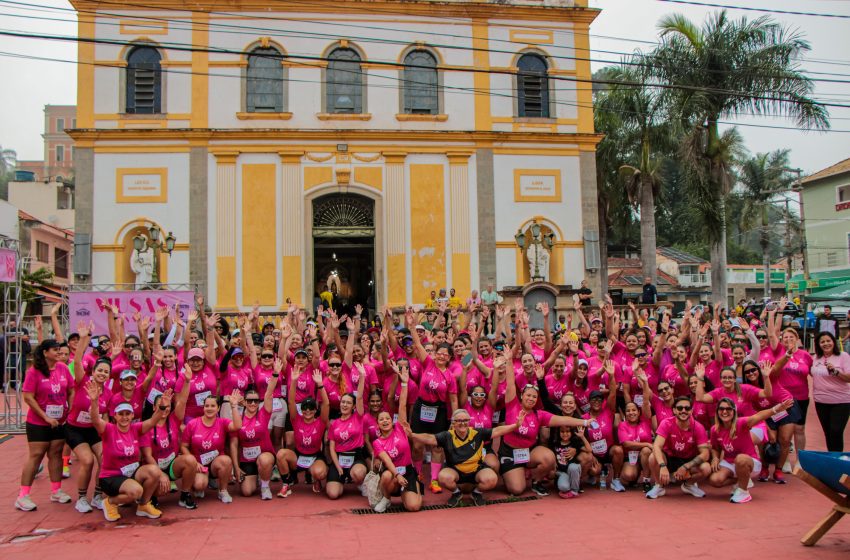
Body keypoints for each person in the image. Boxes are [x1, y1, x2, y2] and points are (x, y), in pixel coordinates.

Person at [500, 362, 592, 497]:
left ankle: (536, 481)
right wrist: (508, 361)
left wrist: (584, 422)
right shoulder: (512, 405)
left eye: (534, 397)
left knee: (549, 458)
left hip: (528, 453)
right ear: (521, 396)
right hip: (509, 453)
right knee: (517, 489)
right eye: (528, 395)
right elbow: (510, 383)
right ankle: (511, 473)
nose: (531, 398)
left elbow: (563, 419)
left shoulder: (539, 414)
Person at [404, 407, 526, 507]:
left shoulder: (477, 433)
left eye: (465, 420)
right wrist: (412, 435)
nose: (462, 423)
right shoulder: (447, 436)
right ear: (453, 423)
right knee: (443, 477)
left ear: (469, 421)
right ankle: (456, 494)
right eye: (459, 421)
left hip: (476, 471)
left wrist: (515, 425)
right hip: (455, 471)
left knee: (492, 479)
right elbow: (429, 438)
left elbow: (497, 430)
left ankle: (476, 493)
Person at [88, 382, 173, 522]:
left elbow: (153, 421)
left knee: (154, 471)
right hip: (111, 477)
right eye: (121, 414)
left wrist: (163, 405)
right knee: (137, 491)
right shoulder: (108, 430)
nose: (124, 417)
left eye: (127, 414)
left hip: (130, 474)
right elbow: (95, 419)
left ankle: (143, 505)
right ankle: (110, 502)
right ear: (115, 416)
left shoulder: (135, 428)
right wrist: (94, 401)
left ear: (132, 415)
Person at [16, 339, 75, 511]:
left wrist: (69, 409)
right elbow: (28, 397)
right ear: (45, 352)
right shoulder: (34, 372)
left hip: (59, 421)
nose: (58, 353)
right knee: (36, 456)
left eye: (59, 349)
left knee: (55, 454)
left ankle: (56, 491)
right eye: (55, 350)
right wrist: (45, 417)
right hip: (38, 422)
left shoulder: (63, 368)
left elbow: (71, 390)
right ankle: (22, 496)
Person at [707, 397, 794, 504]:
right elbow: (715, 448)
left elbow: (758, 416)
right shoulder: (714, 429)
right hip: (729, 462)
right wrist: (715, 458)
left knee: (740, 458)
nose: (724, 412)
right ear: (717, 412)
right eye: (721, 409)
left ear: (734, 411)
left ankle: (744, 492)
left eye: (728, 409)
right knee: (715, 480)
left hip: (750, 462)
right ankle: (742, 480)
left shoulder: (742, 423)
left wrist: (776, 409)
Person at [66, 328, 113, 513]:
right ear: (93, 371)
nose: (102, 374)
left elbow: (106, 417)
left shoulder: (108, 393)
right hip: (74, 429)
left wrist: (108, 434)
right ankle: (82, 498)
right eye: (99, 370)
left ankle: (98, 496)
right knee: (86, 461)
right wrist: (84, 338)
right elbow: (77, 361)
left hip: (94, 430)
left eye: (106, 372)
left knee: (105, 459)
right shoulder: (82, 381)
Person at [141, 372, 200, 510]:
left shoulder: (174, 419)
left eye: (167, 406)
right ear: (155, 408)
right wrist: (160, 474)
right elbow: (147, 456)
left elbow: (183, 401)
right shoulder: (147, 426)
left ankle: (185, 495)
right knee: (162, 488)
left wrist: (187, 381)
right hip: (154, 467)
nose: (165, 409)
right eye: (162, 406)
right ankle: (151, 496)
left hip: (171, 465)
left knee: (190, 460)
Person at [371, 364, 422, 513]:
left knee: (413, 507)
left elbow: (402, 405)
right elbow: (386, 460)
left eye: (387, 418)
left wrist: (404, 383)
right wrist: (397, 475)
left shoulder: (400, 429)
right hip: (392, 474)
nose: (385, 421)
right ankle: (386, 498)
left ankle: (414, 488)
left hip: (407, 471)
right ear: (378, 424)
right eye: (382, 420)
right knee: (386, 475)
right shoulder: (377, 442)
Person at [181, 391, 242, 503]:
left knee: (226, 461)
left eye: (213, 406)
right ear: (203, 408)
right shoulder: (193, 424)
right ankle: (198, 483)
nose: (209, 408)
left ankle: (223, 491)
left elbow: (237, 426)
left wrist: (234, 406)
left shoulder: (222, 422)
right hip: (199, 465)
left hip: (216, 463)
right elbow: (184, 446)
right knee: (199, 485)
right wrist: (194, 462)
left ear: (218, 408)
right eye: (207, 406)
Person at [646, 395, 712, 499]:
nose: (683, 411)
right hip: (670, 458)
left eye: (687, 408)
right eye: (680, 408)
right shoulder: (666, 423)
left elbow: (705, 453)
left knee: (706, 468)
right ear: (674, 410)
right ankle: (659, 486)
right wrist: (662, 466)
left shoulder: (698, 427)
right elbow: (657, 446)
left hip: (688, 460)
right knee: (652, 457)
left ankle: (688, 485)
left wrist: (686, 467)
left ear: (691, 411)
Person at [810, 332, 850, 452]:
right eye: (822, 342)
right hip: (821, 401)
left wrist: (836, 372)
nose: (826, 344)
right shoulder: (815, 358)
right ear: (818, 344)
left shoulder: (843, 356)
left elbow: (848, 377)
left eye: (828, 341)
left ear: (834, 342)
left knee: (836, 431)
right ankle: (832, 459)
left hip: (841, 401)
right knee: (828, 433)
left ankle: (838, 460)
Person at [617, 401, 654, 492]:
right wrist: (647, 444)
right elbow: (626, 444)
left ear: (639, 412)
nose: (631, 413)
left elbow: (646, 401)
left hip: (645, 455)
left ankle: (646, 481)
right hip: (630, 457)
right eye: (628, 411)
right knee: (629, 475)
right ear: (625, 413)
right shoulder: (622, 425)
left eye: (634, 410)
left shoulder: (645, 421)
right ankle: (635, 474)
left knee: (646, 450)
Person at [552, 424, 590, 499]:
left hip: (572, 470)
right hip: (562, 472)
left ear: (571, 432)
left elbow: (589, 449)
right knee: (564, 487)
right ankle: (568, 485)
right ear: (559, 433)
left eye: (567, 431)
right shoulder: (555, 444)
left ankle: (574, 491)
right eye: (562, 432)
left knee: (573, 467)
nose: (565, 434)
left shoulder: (574, 443)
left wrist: (582, 437)